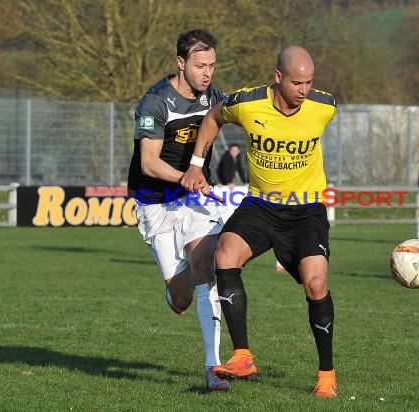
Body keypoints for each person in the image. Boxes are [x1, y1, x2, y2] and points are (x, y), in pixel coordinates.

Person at [180, 45, 339, 398]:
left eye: (309, 82)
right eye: (297, 82)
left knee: (315, 285)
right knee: (224, 256)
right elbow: (213, 118)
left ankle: (326, 374)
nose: (304, 90)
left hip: (306, 210)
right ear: (277, 76)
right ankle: (242, 356)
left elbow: (316, 103)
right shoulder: (247, 103)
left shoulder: (324, 107)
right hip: (260, 207)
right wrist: (195, 163)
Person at [126, 29, 229, 391]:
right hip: (154, 203)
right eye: (200, 65)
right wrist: (188, 176)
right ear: (181, 63)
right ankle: (174, 289)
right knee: (182, 298)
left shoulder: (215, 98)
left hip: (194, 199)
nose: (207, 73)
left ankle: (213, 369)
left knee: (207, 268)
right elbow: (150, 163)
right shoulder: (154, 102)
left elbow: (247, 113)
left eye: (212, 65)